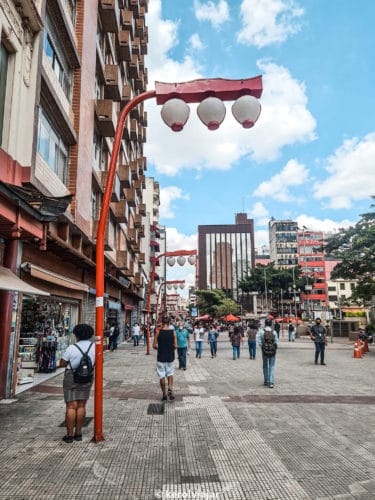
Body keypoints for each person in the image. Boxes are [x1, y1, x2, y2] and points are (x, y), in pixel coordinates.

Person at [59, 323, 95, 443]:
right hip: (87, 377)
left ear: (77, 335)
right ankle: (78, 434)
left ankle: (69, 436)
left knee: (71, 406)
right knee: (81, 405)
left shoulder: (72, 348)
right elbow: (100, 362)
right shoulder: (94, 347)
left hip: (71, 376)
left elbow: (62, 364)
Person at [153, 316, 178, 401]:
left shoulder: (157, 332)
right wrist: (171, 349)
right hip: (170, 356)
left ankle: (164, 395)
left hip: (160, 357)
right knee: (170, 373)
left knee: (162, 376)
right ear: (169, 323)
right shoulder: (173, 332)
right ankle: (170, 388)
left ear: (162, 323)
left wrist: (160, 348)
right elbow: (176, 346)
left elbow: (154, 346)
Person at [258, 319, 278, 388]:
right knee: (272, 366)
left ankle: (266, 380)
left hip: (264, 351)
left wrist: (264, 348)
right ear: (271, 324)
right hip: (272, 351)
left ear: (265, 324)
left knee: (265, 366)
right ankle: (271, 382)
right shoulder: (274, 332)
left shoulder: (261, 331)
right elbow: (276, 343)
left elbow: (260, 342)